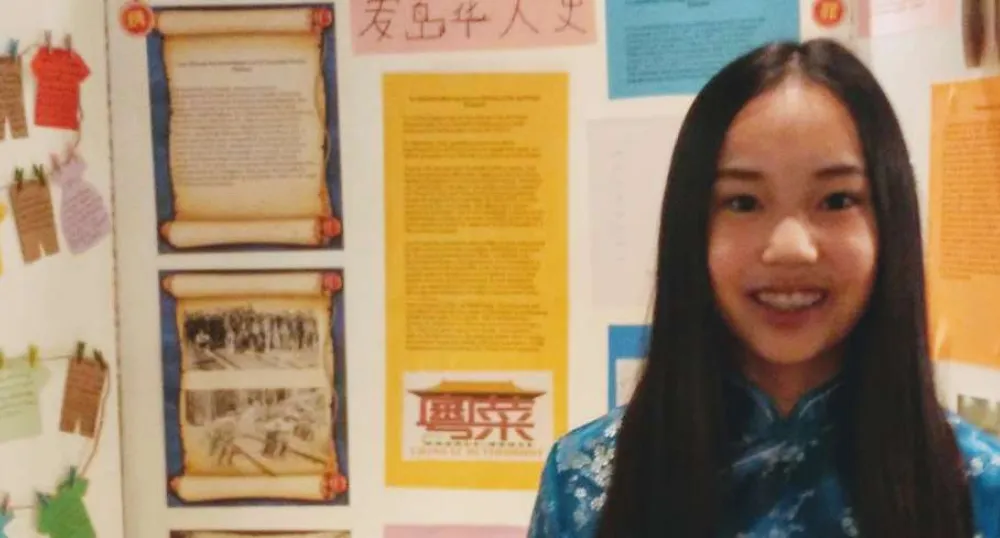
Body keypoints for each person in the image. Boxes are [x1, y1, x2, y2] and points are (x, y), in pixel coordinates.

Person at [527, 38, 1000, 538]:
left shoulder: (978, 486)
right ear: (691, 229)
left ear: (890, 223)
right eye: (744, 202)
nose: (791, 248)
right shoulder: (587, 480)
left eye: (837, 200)